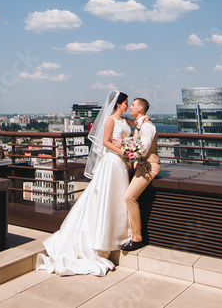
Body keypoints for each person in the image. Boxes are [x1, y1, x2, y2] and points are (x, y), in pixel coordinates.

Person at [36, 91, 131, 276]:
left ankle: (118, 234)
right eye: (126, 103)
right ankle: (102, 239)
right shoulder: (110, 120)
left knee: (119, 198)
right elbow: (104, 142)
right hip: (112, 162)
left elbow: (127, 136)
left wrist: (127, 144)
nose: (127, 106)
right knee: (108, 198)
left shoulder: (125, 121)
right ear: (118, 104)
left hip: (121, 164)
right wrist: (122, 151)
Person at [122, 97, 160, 251]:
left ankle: (137, 238)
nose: (130, 107)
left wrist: (122, 144)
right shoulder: (141, 124)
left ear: (140, 109)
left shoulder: (147, 128)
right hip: (140, 166)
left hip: (149, 166)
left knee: (129, 197)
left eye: (133, 105)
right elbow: (131, 122)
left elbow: (143, 150)